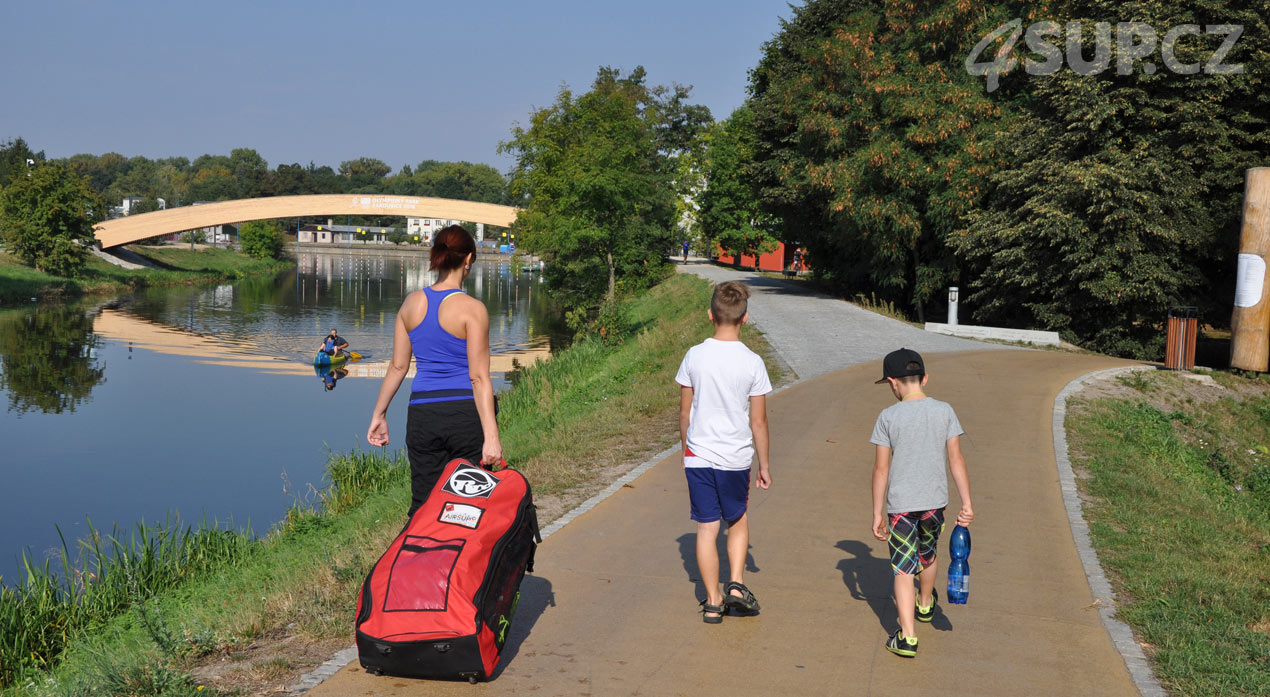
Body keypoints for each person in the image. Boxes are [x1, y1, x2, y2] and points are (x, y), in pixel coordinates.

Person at [367, 225, 503, 515]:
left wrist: (379, 414)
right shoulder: (473, 309)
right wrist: (491, 437)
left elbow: (398, 366)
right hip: (464, 416)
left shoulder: (411, 304)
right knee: (468, 509)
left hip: (423, 417)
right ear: (468, 259)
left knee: (423, 508)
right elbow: (479, 378)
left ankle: (414, 558)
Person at [675, 280, 772, 624]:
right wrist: (764, 464)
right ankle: (736, 586)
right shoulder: (753, 363)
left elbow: (684, 413)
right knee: (738, 520)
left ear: (709, 316)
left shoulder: (694, 356)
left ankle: (713, 601)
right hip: (734, 458)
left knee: (706, 528)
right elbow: (758, 421)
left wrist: (688, 451)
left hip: (698, 457)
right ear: (745, 319)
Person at [869, 348, 973, 658]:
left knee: (903, 569)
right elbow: (956, 459)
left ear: (892, 382)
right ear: (924, 378)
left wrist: (877, 514)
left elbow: (881, 469)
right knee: (927, 554)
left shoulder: (888, 416)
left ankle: (908, 637)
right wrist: (966, 502)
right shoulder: (944, 411)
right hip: (935, 502)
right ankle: (925, 603)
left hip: (900, 505)